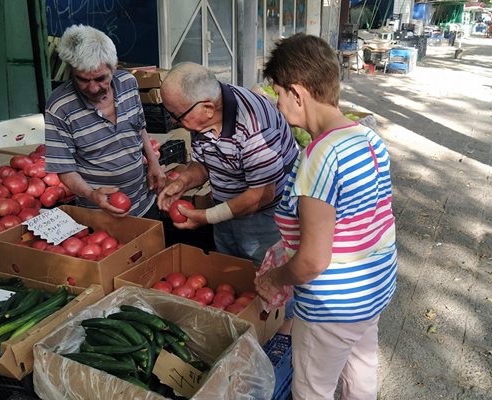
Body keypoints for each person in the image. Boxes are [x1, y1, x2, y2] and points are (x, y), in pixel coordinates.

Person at [255, 33, 398, 400]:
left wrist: (275, 279)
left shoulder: (320, 157)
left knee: (312, 390)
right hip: (373, 289)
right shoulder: (366, 137)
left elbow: (314, 260)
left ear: (298, 94)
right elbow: (357, 222)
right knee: (360, 375)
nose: (278, 102)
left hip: (334, 305)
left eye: (278, 93)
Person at [157, 62, 299, 265]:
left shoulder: (255, 125)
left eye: (175, 116)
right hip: (225, 208)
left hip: (265, 217)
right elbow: (204, 164)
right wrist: (183, 182)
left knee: (263, 274)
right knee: (229, 270)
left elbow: (262, 194)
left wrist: (207, 217)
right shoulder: (199, 113)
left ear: (207, 108)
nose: (172, 122)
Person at [45, 25, 165, 218]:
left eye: (100, 78)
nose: (93, 88)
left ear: (114, 67)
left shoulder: (128, 83)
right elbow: (63, 168)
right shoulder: (60, 107)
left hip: (144, 202)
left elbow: (139, 127)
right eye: (82, 80)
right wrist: (91, 195)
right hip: (99, 213)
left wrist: (153, 162)